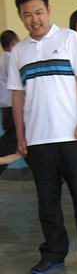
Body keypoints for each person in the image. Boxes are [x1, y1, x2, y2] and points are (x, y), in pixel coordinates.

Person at [7, 0, 77, 274]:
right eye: (27, 14)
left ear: (48, 10)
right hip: (38, 139)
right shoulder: (19, 51)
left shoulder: (69, 39)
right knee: (47, 202)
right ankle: (53, 252)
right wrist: (20, 133)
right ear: (21, 17)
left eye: (38, 12)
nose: (34, 19)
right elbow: (17, 96)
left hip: (72, 135)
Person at [0, 29, 21, 176]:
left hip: (6, 109)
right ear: (13, 43)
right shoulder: (11, 61)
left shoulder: (2, 59)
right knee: (10, 142)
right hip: (12, 108)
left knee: (14, 140)